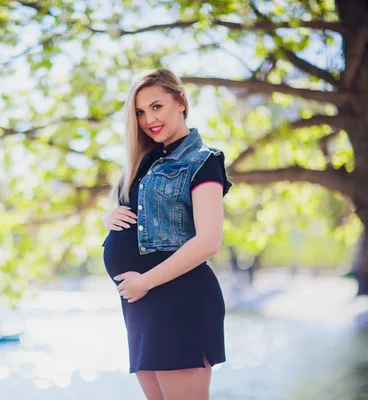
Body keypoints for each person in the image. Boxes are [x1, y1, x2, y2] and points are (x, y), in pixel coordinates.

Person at [101, 68, 232, 400]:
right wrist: (111, 216)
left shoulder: (203, 161)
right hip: (141, 304)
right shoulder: (143, 162)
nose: (148, 119)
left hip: (178, 299)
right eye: (140, 112)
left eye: (156, 107)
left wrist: (145, 281)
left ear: (181, 102)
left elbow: (208, 241)